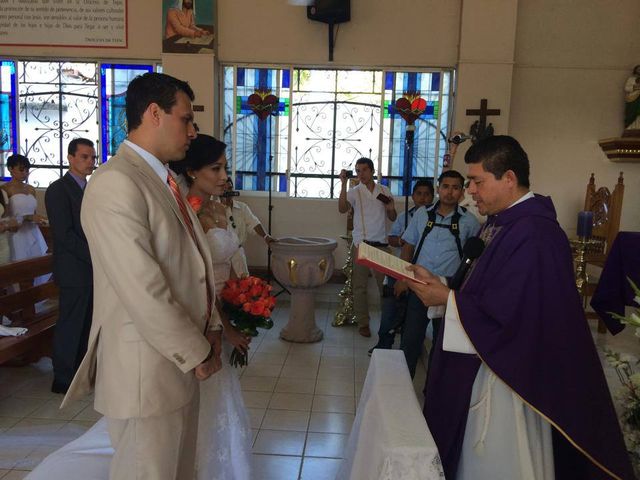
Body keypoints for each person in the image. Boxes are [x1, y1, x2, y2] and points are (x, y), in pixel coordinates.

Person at [407, 136, 634, 479]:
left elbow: (515, 319)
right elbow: (484, 291)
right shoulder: (500, 224)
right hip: (487, 363)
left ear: (509, 179)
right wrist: (440, 282)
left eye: (478, 182)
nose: (471, 192)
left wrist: (446, 299)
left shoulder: (535, 234)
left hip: (509, 378)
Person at [61, 72, 223, 480]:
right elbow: (144, 287)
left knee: (179, 470)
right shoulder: (117, 183)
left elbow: (190, 264)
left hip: (175, 360)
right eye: (185, 119)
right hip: (146, 369)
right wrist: (196, 350)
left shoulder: (162, 178)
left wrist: (213, 326)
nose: (192, 131)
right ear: (154, 113)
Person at [170, 134, 252, 480]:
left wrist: (247, 301)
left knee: (220, 396)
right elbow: (195, 279)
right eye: (215, 168)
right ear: (191, 171)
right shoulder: (187, 212)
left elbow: (230, 262)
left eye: (225, 168)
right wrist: (224, 327)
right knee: (198, 402)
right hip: (201, 317)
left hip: (225, 306)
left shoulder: (219, 207)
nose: (224, 176)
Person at [396, 170, 479, 378]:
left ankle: (431, 393)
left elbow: (474, 260)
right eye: (445, 186)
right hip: (418, 287)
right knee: (410, 340)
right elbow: (408, 246)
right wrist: (402, 278)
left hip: (448, 291)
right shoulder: (422, 214)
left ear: (461, 192)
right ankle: (402, 388)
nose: (449, 192)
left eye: (455, 187)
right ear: (438, 188)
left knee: (442, 345)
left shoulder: (470, 222)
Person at [45, 138, 97, 394]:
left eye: (92, 157)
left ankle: (80, 371)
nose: (90, 162)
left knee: (87, 322)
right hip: (73, 268)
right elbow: (64, 235)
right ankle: (63, 376)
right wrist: (95, 255)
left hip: (89, 268)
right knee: (71, 322)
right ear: (71, 158)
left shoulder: (89, 188)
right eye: (85, 157)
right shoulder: (59, 189)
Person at [368, 178, 434, 354]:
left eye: (427, 194)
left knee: (413, 313)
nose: (422, 198)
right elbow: (391, 238)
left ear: (433, 197)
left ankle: (409, 347)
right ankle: (384, 344)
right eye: (419, 194)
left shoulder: (434, 219)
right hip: (399, 268)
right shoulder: (405, 216)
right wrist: (401, 240)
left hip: (422, 271)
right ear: (412, 196)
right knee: (390, 307)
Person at [338, 158, 397, 337]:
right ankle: (363, 323)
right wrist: (343, 184)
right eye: (358, 170)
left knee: (384, 288)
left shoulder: (384, 191)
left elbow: (393, 217)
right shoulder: (354, 191)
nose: (361, 174)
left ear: (372, 171)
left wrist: (391, 207)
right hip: (361, 244)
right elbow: (341, 209)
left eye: (364, 170)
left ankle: (387, 323)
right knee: (359, 287)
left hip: (380, 244)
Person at [220, 177, 276, 276]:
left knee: (243, 286)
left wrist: (266, 236)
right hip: (220, 256)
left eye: (230, 188)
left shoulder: (242, 207)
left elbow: (253, 223)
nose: (228, 191)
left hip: (238, 254)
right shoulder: (213, 208)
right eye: (224, 189)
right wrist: (223, 206)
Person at [2, 154, 49, 265]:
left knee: (38, 267)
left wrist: (41, 220)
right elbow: (5, 217)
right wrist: (27, 217)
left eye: (27, 170)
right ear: (10, 169)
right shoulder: (5, 189)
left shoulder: (31, 189)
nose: (25, 173)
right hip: (16, 233)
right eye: (21, 169)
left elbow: (34, 213)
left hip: (33, 231)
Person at [624, 65, 640, 132]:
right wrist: (635, 87)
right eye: (638, 69)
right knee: (632, 111)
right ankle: (630, 127)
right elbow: (626, 88)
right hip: (632, 99)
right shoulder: (631, 79)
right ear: (635, 70)